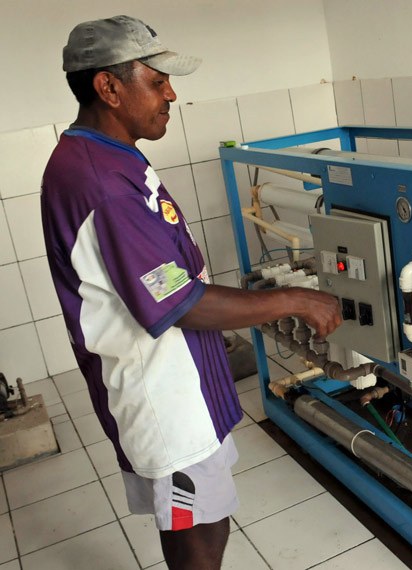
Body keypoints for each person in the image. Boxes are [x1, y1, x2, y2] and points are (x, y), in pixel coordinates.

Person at [41, 15, 342, 569]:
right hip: (162, 395)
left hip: (183, 380)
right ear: (108, 87)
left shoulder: (109, 156)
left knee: (207, 514)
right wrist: (299, 299)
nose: (171, 95)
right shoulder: (101, 183)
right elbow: (178, 302)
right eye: (157, 82)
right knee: (195, 532)